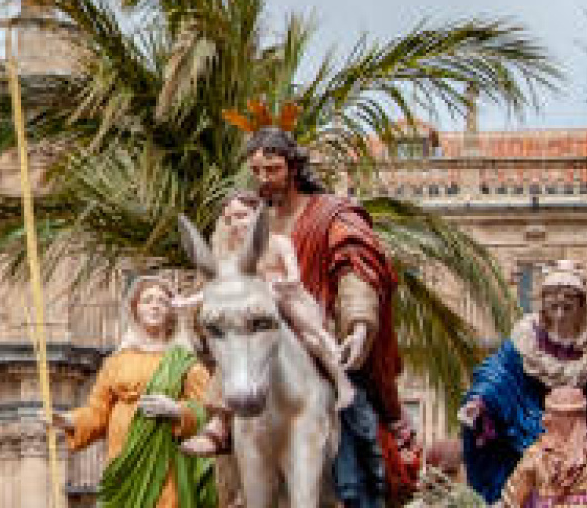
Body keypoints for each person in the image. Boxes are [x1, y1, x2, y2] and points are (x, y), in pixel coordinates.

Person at [243, 123, 418, 508]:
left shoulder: (332, 214)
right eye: (256, 172)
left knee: (356, 420)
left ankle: (363, 491)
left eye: (271, 170)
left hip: (321, 342)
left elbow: (356, 265)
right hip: (260, 344)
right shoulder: (251, 219)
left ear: (292, 167)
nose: (264, 180)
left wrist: (357, 324)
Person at [459, 260, 587, 508]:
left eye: (568, 305)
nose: (560, 314)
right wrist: (479, 402)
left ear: (582, 306)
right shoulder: (527, 338)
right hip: (532, 433)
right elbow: (498, 375)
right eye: (553, 305)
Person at [183, 191, 357, 457]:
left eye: (242, 216)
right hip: (251, 311)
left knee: (312, 337)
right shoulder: (228, 256)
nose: (236, 224)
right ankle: (219, 422)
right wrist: (188, 302)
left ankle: (341, 380)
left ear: (257, 218)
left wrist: (275, 285)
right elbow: (218, 289)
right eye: (229, 219)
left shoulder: (277, 242)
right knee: (231, 356)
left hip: (285, 298)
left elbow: (294, 276)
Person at [55, 275, 217, 508]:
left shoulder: (185, 361)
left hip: (165, 461)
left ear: (171, 311)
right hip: (123, 462)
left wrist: (176, 410)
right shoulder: (116, 362)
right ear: (135, 309)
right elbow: (97, 412)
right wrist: (68, 420)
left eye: (162, 301)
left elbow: (207, 410)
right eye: (147, 300)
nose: (155, 305)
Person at [495, 387, 587, 508]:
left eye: (553, 416)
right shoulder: (535, 459)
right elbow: (510, 499)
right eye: (547, 414)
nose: (545, 421)